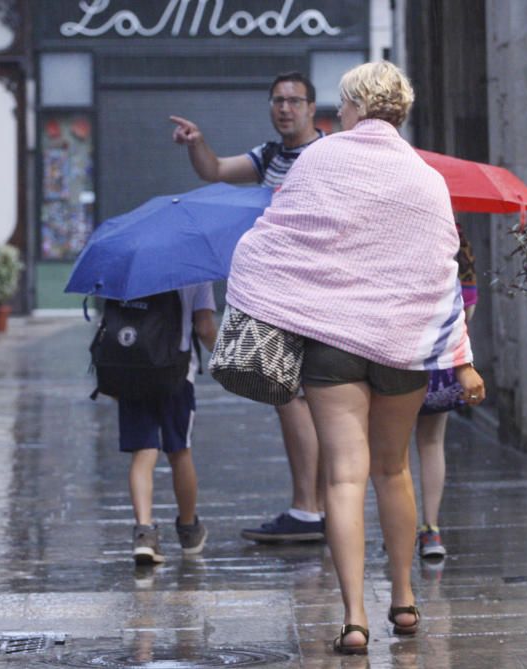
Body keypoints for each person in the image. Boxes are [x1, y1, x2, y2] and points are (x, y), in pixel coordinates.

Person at [224, 61, 485, 654]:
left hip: (333, 346)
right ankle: (405, 600)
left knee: (343, 477)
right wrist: (461, 357)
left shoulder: (319, 159)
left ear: (355, 107)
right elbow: (443, 273)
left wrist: (271, 297)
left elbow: (269, 240)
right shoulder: (424, 179)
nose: (335, 115)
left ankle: (354, 619)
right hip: (403, 348)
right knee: (392, 471)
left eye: (340, 106)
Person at [170, 71, 326, 543]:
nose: (284, 108)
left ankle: (309, 509)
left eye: (294, 101)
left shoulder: (325, 154)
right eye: (277, 100)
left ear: (311, 109)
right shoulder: (271, 154)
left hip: (313, 289)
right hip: (281, 289)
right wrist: (198, 142)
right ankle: (315, 507)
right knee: (297, 396)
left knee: (295, 396)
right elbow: (215, 170)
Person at [119, 284, 218, 565]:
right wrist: (226, 355)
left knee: (144, 449)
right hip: (176, 370)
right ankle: (188, 530)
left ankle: (144, 533)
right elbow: (204, 327)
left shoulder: (128, 263)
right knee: (179, 450)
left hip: (132, 368)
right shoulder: (195, 270)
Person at [415, 227, 478, 560]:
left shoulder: (393, 234)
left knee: (391, 452)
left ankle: (397, 523)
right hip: (440, 359)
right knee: (432, 442)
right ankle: (430, 528)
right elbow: (467, 310)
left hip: (395, 356)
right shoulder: (456, 238)